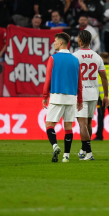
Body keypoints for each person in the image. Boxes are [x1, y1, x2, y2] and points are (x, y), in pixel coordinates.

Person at [43, 32, 83, 162]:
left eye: (55, 41)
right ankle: (66, 156)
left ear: (61, 42)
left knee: (49, 124)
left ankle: (55, 146)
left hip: (57, 96)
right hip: (71, 97)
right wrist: (80, 99)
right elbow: (79, 82)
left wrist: (44, 95)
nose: (53, 43)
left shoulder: (53, 58)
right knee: (68, 127)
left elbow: (48, 79)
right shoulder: (75, 60)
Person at [73, 30, 109, 161]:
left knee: (82, 124)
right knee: (88, 123)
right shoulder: (97, 56)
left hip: (80, 94)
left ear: (80, 41)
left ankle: (89, 153)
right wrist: (105, 95)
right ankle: (84, 149)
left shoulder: (74, 56)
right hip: (94, 93)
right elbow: (104, 78)